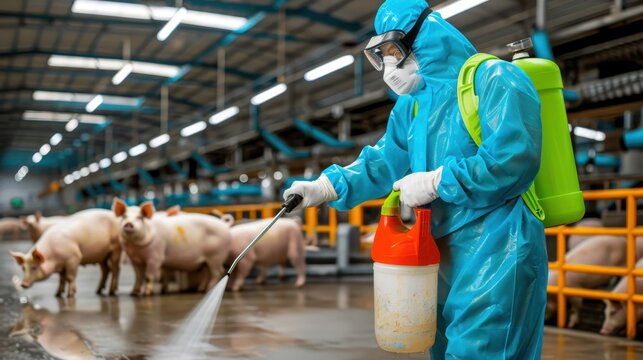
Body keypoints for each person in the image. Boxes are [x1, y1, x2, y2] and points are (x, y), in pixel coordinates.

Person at [284, 0, 547, 358]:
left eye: (396, 52)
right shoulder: (413, 106)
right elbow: (383, 161)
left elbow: (513, 161)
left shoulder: (494, 79)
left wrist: (438, 182)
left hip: (498, 245)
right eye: (383, 56)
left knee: (481, 350)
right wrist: (325, 187)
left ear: (426, 38)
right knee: (441, 350)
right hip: (438, 250)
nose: (390, 68)